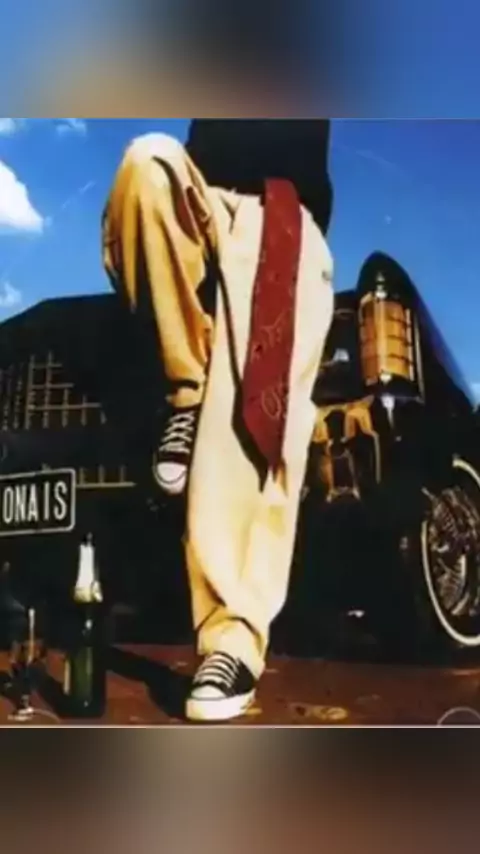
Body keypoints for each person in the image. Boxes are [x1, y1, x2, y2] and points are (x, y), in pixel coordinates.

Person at [102, 120, 334, 721]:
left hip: (279, 207)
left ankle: (231, 638)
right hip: (203, 191)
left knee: (252, 406)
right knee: (148, 164)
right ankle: (185, 393)